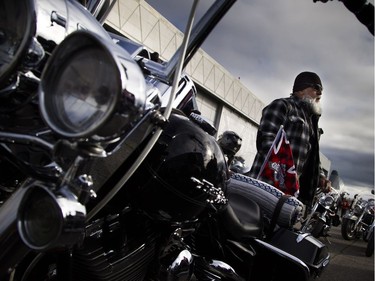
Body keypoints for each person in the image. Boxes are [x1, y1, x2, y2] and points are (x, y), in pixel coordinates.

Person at [247, 71, 323, 209]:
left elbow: (311, 158)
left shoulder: (310, 122)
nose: (320, 93)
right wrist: (285, 173)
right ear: (301, 89)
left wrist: (321, 176)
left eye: (321, 90)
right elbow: (268, 142)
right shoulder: (282, 105)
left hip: (288, 192)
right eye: (316, 88)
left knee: (275, 230)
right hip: (266, 184)